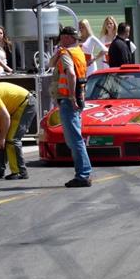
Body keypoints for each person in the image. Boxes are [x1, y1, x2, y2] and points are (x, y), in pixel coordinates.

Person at [49, 26, 92, 187]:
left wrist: (72, 97)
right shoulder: (77, 52)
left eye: (62, 36)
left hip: (69, 99)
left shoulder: (66, 54)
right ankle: (83, 173)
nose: (60, 39)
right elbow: (51, 63)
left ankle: (83, 175)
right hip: (78, 98)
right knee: (74, 139)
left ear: (67, 37)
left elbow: (71, 74)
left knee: (75, 140)